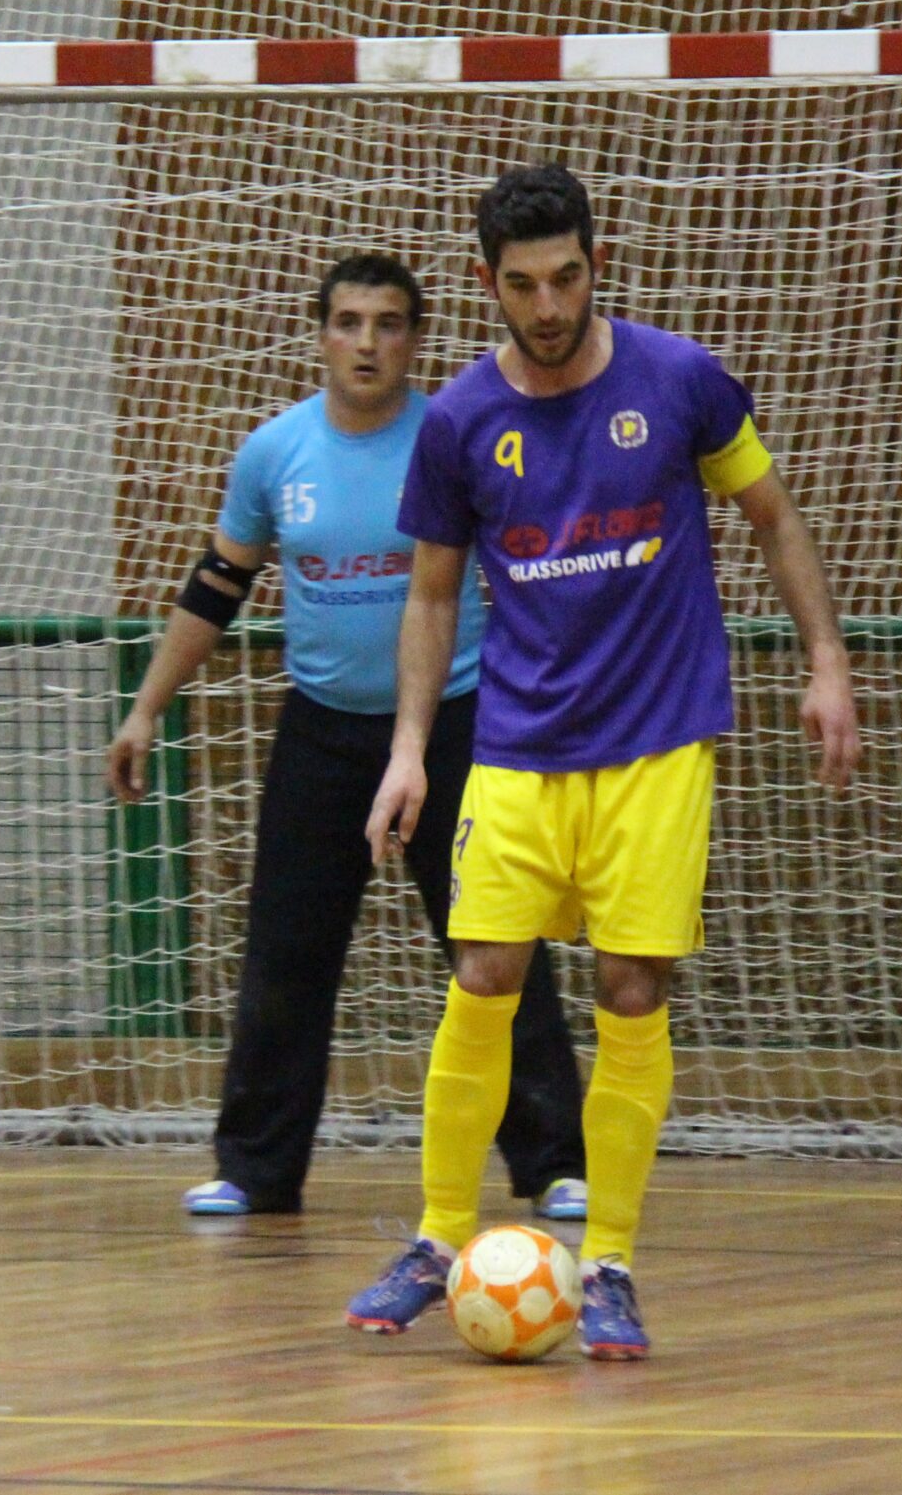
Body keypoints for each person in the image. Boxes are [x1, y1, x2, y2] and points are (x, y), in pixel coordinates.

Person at [348, 166, 860, 1358]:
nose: (548, 303)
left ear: (593, 263)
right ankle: (435, 1238)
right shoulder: (460, 421)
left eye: (567, 276)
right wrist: (410, 749)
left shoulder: (679, 382)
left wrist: (823, 661)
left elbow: (772, 517)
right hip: (522, 743)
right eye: (522, 285)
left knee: (632, 988)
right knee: (483, 968)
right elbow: (430, 594)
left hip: (659, 742)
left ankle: (613, 1259)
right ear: (488, 285)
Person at [108, 253, 589, 1229]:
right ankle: (254, 1169)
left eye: (387, 323)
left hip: (458, 723)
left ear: (414, 338)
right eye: (347, 322)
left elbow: (528, 574)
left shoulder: (453, 437)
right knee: (286, 951)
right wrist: (146, 704)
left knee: (494, 943)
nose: (366, 341)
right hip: (321, 732)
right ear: (320, 333)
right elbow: (217, 585)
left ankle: (552, 1162)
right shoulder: (273, 454)